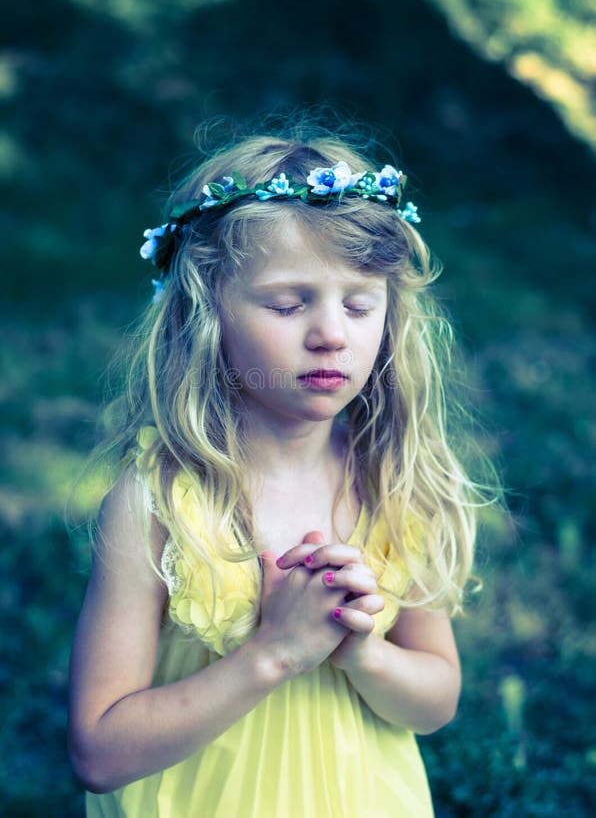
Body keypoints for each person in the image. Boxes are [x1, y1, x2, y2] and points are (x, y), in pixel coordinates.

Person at [68, 123, 493, 817]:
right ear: (206, 316)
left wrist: (364, 655)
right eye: (289, 303)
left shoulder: (392, 485)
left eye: (360, 304)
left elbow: (436, 701)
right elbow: (98, 752)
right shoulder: (159, 502)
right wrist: (277, 650)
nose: (331, 331)